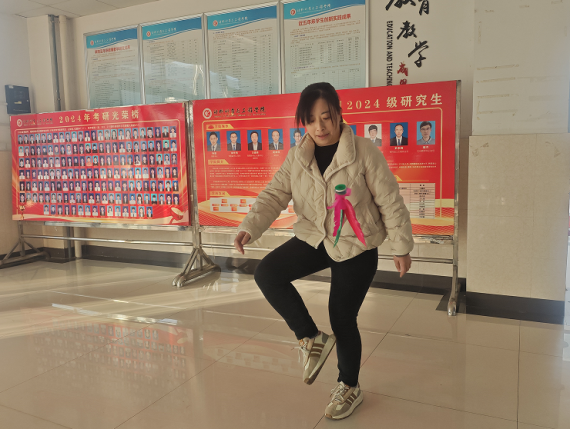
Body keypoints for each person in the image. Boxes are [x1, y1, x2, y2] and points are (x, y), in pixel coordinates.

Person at [233, 82, 413, 420]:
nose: (320, 126)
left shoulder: (363, 151)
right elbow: (274, 194)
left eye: (326, 117)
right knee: (267, 273)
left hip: (356, 243)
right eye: (311, 120)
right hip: (316, 237)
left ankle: (349, 386)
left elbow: (389, 200)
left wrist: (401, 246)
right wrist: (250, 226)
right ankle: (310, 338)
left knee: (342, 317)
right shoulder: (297, 156)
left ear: (339, 114)